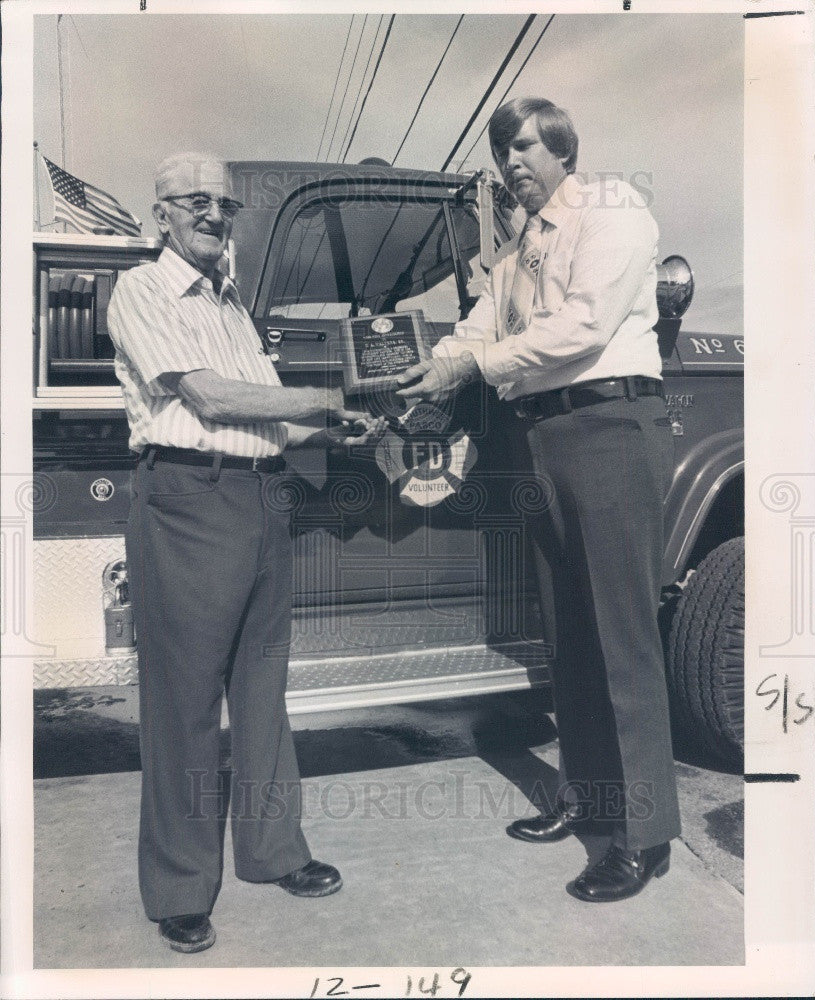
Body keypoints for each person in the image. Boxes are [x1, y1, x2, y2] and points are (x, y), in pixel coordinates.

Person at [396, 98, 680, 903]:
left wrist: (469, 369)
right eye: (500, 150)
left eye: (522, 146)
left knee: (621, 637)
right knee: (568, 636)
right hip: (546, 437)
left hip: (610, 425)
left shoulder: (611, 209)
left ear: (561, 149)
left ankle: (642, 834)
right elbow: (481, 324)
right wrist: (433, 362)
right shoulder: (520, 245)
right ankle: (586, 799)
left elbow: (582, 328)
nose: (509, 162)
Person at [107, 152, 383, 952]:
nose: (212, 216)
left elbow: (272, 423)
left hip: (262, 497)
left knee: (263, 690)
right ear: (160, 214)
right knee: (184, 703)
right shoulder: (143, 289)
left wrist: (342, 425)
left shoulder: (232, 306)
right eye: (194, 202)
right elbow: (209, 397)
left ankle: (273, 853)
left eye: (224, 205)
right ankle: (181, 889)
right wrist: (332, 393)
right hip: (190, 500)